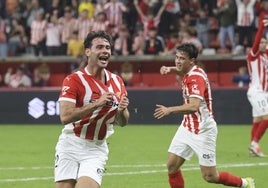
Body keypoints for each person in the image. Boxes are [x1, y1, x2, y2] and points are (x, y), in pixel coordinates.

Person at [153, 43, 255, 188]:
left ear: (192, 61)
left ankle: (245, 183)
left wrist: (169, 110)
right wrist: (170, 69)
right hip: (187, 127)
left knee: (210, 176)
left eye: (182, 58)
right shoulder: (190, 71)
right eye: (176, 57)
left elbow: (194, 106)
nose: (178, 61)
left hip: (203, 131)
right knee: (171, 166)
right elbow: (182, 71)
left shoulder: (196, 78)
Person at [54, 30, 130, 188]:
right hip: (70, 144)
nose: (105, 51)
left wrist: (122, 111)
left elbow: (122, 122)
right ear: (87, 52)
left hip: (96, 148)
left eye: (108, 48)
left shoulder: (117, 81)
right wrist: (97, 103)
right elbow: (65, 117)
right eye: (100, 47)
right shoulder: (74, 80)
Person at [247, 19, 268, 157]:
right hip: (257, 92)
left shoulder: (265, 56)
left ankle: (252, 148)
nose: (262, 44)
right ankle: (255, 143)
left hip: (263, 92)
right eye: (261, 42)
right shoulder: (253, 55)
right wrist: (261, 27)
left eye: (265, 42)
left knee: (258, 120)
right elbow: (256, 43)